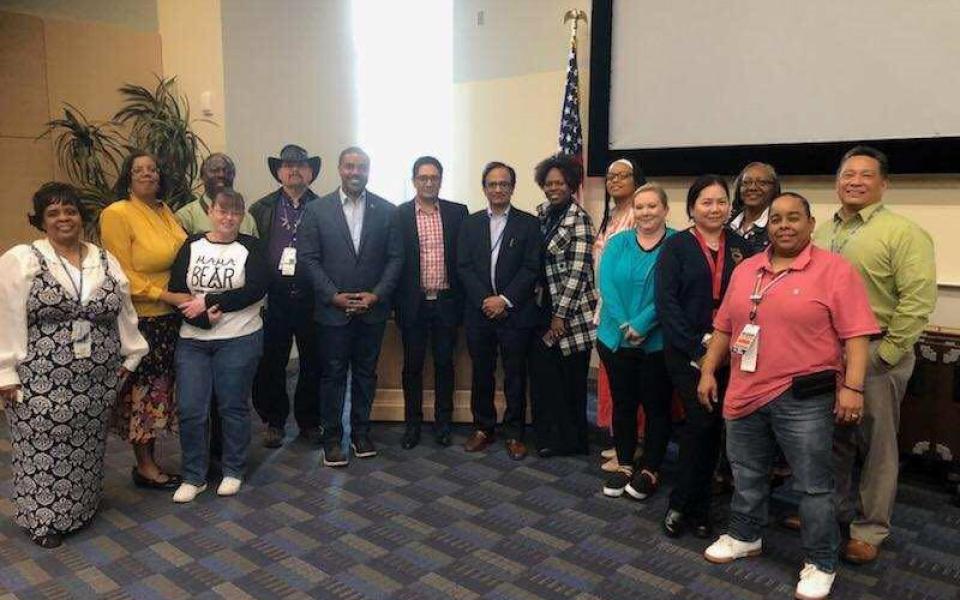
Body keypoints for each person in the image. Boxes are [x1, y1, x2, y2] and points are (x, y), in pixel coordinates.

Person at [697, 192, 879, 600]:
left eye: (793, 218)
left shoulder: (835, 270)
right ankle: (745, 535)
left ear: (811, 224)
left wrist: (852, 387)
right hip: (745, 391)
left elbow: (857, 335)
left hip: (805, 397)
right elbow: (725, 326)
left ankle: (820, 560)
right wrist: (709, 370)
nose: (783, 225)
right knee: (746, 471)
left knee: (814, 485)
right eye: (776, 219)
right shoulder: (746, 271)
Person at [0, 182, 148, 548]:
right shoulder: (22, 259)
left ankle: (81, 507)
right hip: (39, 378)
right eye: (53, 213)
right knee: (42, 448)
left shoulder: (103, 259)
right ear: (40, 220)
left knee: (85, 446)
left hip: (97, 378)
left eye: (70, 211)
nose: (63, 218)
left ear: (81, 217)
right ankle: (44, 519)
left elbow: (123, 309)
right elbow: (5, 316)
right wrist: (5, 372)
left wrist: (132, 354)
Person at [814, 146, 937, 564]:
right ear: (837, 181)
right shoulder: (821, 231)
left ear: (884, 184)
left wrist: (884, 355)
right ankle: (831, 512)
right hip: (825, 354)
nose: (855, 181)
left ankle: (870, 529)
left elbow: (917, 301)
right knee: (833, 440)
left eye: (866, 175)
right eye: (848, 174)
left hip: (876, 352)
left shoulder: (903, 233)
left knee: (876, 444)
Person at [656, 174, 748, 539]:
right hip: (686, 351)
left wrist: (724, 350)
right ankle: (683, 504)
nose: (715, 208)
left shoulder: (743, 248)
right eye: (706, 202)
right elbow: (667, 304)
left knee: (713, 429)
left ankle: (697, 506)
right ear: (692, 208)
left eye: (721, 201)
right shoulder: (676, 246)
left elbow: (749, 303)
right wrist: (698, 350)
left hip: (731, 352)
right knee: (702, 422)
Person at [299, 146, 402, 467]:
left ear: (369, 171)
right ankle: (332, 438)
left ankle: (361, 433)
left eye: (361, 167)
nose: (355, 172)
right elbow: (309, 259)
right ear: (339, 169)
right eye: (349, 166)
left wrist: (377, 295)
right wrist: (333, 296)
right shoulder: (317, 210)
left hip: (372, 310)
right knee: (331, 375)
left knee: (365, 374)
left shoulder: (387, 211)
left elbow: (396, 259)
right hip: (333, 311)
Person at [167, 189, 270, 502]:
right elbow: (176, 290)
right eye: (223, 211)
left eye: (236, 213)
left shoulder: (251, 246)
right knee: (191, 409)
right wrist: (201, 319)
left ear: (242, 217)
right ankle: (194, 476)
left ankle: (233, 469)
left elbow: (254, 289)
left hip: (239, 338)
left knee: (232, 406)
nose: (229, 218)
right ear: (210, 211)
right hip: (193, 340)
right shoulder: (192, 244)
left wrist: (211, 301)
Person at [100, 151, 190, 490]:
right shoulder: (117, 214)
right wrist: (166, 296)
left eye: (152, 169)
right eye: (139, 170)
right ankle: (146, 466)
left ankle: (151, 459)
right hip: (144, 319)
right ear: (127, 176)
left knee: (161, 391)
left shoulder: (165, 210)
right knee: (143, 394)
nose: (147, 174)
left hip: (173, 318)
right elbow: (120, 272)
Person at [457, 162, 542, 460]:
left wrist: (504, 300)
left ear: (512, 187)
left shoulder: (529, 224)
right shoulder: (470, 223)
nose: (497, 189)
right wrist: (486, 300)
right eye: (492, 184)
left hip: (515, 314)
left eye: (503, 184)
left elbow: (532, 268)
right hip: (479, 313)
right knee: (482, 372)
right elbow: (463, 266)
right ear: (484, 188)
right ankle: (483, 427)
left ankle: (515, 432)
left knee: (515, 375)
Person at [597, 183, 676, 499]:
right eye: (640, 206)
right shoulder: (618, 243)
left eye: (652, 206)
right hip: (615, 339)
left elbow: (669, 291)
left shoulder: (677, 244)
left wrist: (643, 323)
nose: (645, 212)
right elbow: (607, 284)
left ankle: (651, 468)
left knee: (657, 408)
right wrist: (624, 323)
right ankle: (627, 462)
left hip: (656, 344)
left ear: (665, 209)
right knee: (624, 404)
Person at [249, 144, 323, 448]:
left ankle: (309, 421)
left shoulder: (323, 206)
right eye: (288, 165)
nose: (294, 170)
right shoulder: (261, 208)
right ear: (279, 172)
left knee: (312, 362)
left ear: (310, 173)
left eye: (301, 165)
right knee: (272, 362)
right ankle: (274, 421)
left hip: (311, 296)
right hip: (275, 297)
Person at [394, 156, 468, 449]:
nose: (428, 182)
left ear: (440, 180)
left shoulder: (457, 213)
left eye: (434, 177)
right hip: (413, 304)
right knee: (412, 366)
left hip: (447, 304)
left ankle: (443, 423)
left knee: (444, 364)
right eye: (423, 177)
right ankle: (412, 424)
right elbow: (394, 260)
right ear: (414, 181)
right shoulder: (398, 215)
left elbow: (465, 258)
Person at [529, 154, 597, 457]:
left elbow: (579, 270)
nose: (553, 187)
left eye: (560, 183)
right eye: (548, 183)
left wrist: (560, 315)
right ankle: (553, 435)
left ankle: (573, 440)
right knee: (550, 378)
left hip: (570, 315)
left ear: (571, 185)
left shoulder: (579, 218)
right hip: (545, 309)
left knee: (572, 381)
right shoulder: (543, 214)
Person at [594, 158, 647, 472]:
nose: (614, 181)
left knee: (631, 384)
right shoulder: (612, 215)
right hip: (609, 309)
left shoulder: (639, 214)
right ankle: (621, 441)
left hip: (630, 313)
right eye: (610, 176)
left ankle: (635, 445)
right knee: (614, 382)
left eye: (621, 176)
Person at [175, 153, 258, 236]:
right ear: (202, 176)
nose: (221, 175)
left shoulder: (247, 220)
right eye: (214, 170)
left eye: (227, 171)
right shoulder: (186, 217)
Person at [729, 162, 780, 255]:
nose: (752, 188)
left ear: (774, 188)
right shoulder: (727, 225)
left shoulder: (778, 226)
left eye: (762, 183)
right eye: (746, 182)